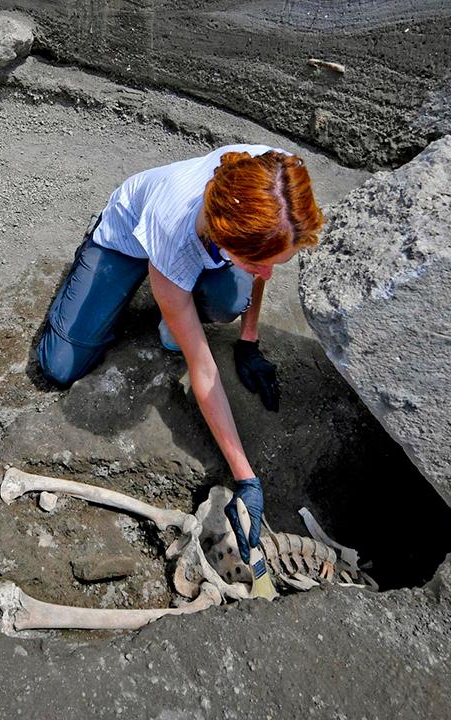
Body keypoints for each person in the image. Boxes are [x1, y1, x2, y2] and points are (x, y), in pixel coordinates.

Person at [35, 144, 324, 578]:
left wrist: (249, 337)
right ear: (225, 235)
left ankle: (185, 302)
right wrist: (246, 475)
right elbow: (202, 368)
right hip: (128, 237)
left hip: (204, 247)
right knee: (59, 366)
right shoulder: (173, 232)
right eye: (255, 261)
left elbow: (267, 252)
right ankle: (140, 291)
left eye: (271, 263)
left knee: (233, 296)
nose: (267, 273)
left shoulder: (275, 177)